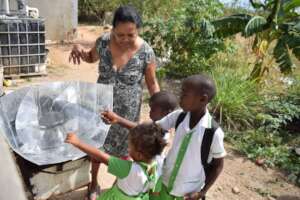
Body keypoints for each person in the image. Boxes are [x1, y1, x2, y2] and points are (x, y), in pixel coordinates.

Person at [69, 5, 160, 199]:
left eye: (131, 35)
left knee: (126, 152)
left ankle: (119, 188)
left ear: (137, 30)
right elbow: (90, 58)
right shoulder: (102, 42)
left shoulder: (146, 52)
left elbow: (152, 84)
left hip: (127, 113)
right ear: (112, 29)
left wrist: (161, 112)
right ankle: (93, 183)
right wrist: (79, 50)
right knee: (97, 146)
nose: (125, 40)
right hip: (101, 107)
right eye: (120, 35)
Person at [155, 74, 226, 200]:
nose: (180, 97)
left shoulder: (213, 132)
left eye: (184, 94)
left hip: (186, 194)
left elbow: (218, 165)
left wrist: (202, 192)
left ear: (203, 99)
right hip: (163, 185)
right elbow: (152, 129)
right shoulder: (179, 116)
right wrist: (119, 120)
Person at [65, 123, 166, 200]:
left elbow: (99, 155)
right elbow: (155, 190)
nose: (128, 148)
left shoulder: (129, 169)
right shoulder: (159, 162)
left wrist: (77, 142)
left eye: (130, 146)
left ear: (139, 154)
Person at [101, 91, 178, 129]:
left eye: (153, 110)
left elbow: (139, 128)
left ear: (165, 113)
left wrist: (118, 119)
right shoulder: (156, 125)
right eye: (150, 108)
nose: (150, 111)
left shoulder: (162, 130)